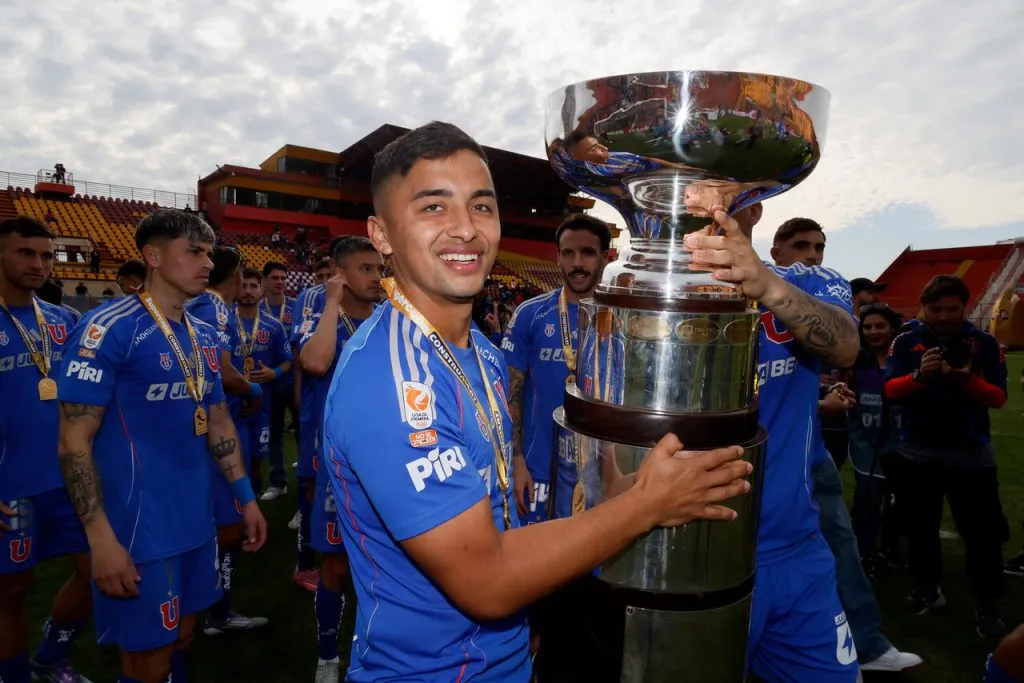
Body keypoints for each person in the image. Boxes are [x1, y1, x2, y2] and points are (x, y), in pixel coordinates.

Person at [321, 121, 753, 681]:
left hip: (496, 660)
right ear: (381, 235)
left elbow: (493, 524)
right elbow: (486, 581)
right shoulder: (390, 382)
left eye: (481, 207)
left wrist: (617, 493)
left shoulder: (478, 349)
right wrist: (644, 506)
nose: (465, 230)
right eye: (433, 208)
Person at [55, 208, 268, 683]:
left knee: (184, 636)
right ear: (153, 256)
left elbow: (218, 422)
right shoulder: (108, 329)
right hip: (136, 530)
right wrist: (100, 539)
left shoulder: (206, 336)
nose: (207, 263)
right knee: (148, 659)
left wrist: (245, 497)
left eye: (209, 253)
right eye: (193, 251)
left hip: (197, 519)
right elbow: (73, 442)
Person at [770, 221, 921, 673]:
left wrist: (821, 402)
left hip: (809, 456)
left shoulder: (819, 300)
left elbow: (837, 353)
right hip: (758, 460)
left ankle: (868, 644)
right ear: (775, 250)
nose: (812, 254)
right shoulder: (746, 293)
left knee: (840, 546)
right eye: (800, 245)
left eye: (819, 246)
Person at [884, 274, 1010, 638]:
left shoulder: (983, 342)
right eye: (935, 309)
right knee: (921, 531)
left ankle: (987, 604)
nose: (942, 317)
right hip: (917, 452)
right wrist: (920, 377)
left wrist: (965, 379)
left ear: (964, 307)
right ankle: (927, 589)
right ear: (924, 307)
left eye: (951, 309)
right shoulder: (907, 341)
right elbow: (891, 390)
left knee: (982, 537)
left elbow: (998, 398)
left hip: (971, 454)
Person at [0, 217, 90, 683]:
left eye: (46, 255)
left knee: (100, 572)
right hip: (9, 486)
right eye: (25, 253)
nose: (38, 264)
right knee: (11, 592)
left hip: (69, 479)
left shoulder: (66, 321)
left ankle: (50, 658)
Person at [297, 236, 383, 683]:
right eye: (366, 269)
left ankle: (378, 646)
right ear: (341, 273)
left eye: (379, 268)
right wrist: (332, 302)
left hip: (386, 463)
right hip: (338, 467)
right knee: (335, 566)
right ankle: (328, 653)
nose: (376, 277)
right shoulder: (317, 314)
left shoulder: (390, 319)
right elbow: (314, 363)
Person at [185, 248, 268, 637]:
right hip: (219, 423)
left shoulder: (205, 305)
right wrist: (253, 389)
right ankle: (215, 609)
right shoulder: (215, 308)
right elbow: (218, 365)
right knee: (230, 527)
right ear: (235, 278)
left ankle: (209, 606)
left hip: (210, 423)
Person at [288, 241, 351, 592]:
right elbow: (307, 359)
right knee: (312, 487)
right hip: (318, 410)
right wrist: (300, 395)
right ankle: (304, 562)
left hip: (352, 426)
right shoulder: (312, 300)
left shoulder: (379, 309)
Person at [844, 304, 906, 576]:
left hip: (902, 445)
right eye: (867, 326)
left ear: (892, 328)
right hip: (865, 444)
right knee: (867, 504)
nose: (873, 331)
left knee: (899, 504)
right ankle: (864, 555)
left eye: (880, 325)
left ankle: (891, 548)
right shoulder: (854, 361)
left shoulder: (905, 359)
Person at [234, 268, 292, 499]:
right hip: (231, 400)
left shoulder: (273, 326)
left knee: (257, 458)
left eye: (253, 286)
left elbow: (288, 360)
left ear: (261, 289)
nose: (248, 291)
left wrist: (275, 373)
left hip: (262, 403)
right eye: (243, 285)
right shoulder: (224, 320)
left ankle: (253, 501)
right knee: (232, 456)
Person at [259, 260, 295, 501]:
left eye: (283, 278)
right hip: (266, 380)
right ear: (265, 281)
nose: (280, 282)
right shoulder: (256, 309)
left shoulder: (295, 306)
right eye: (275, 278)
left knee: (303, 430)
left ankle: (306, 479)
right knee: (273, 432)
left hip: (295, 378)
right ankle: (277, 481)